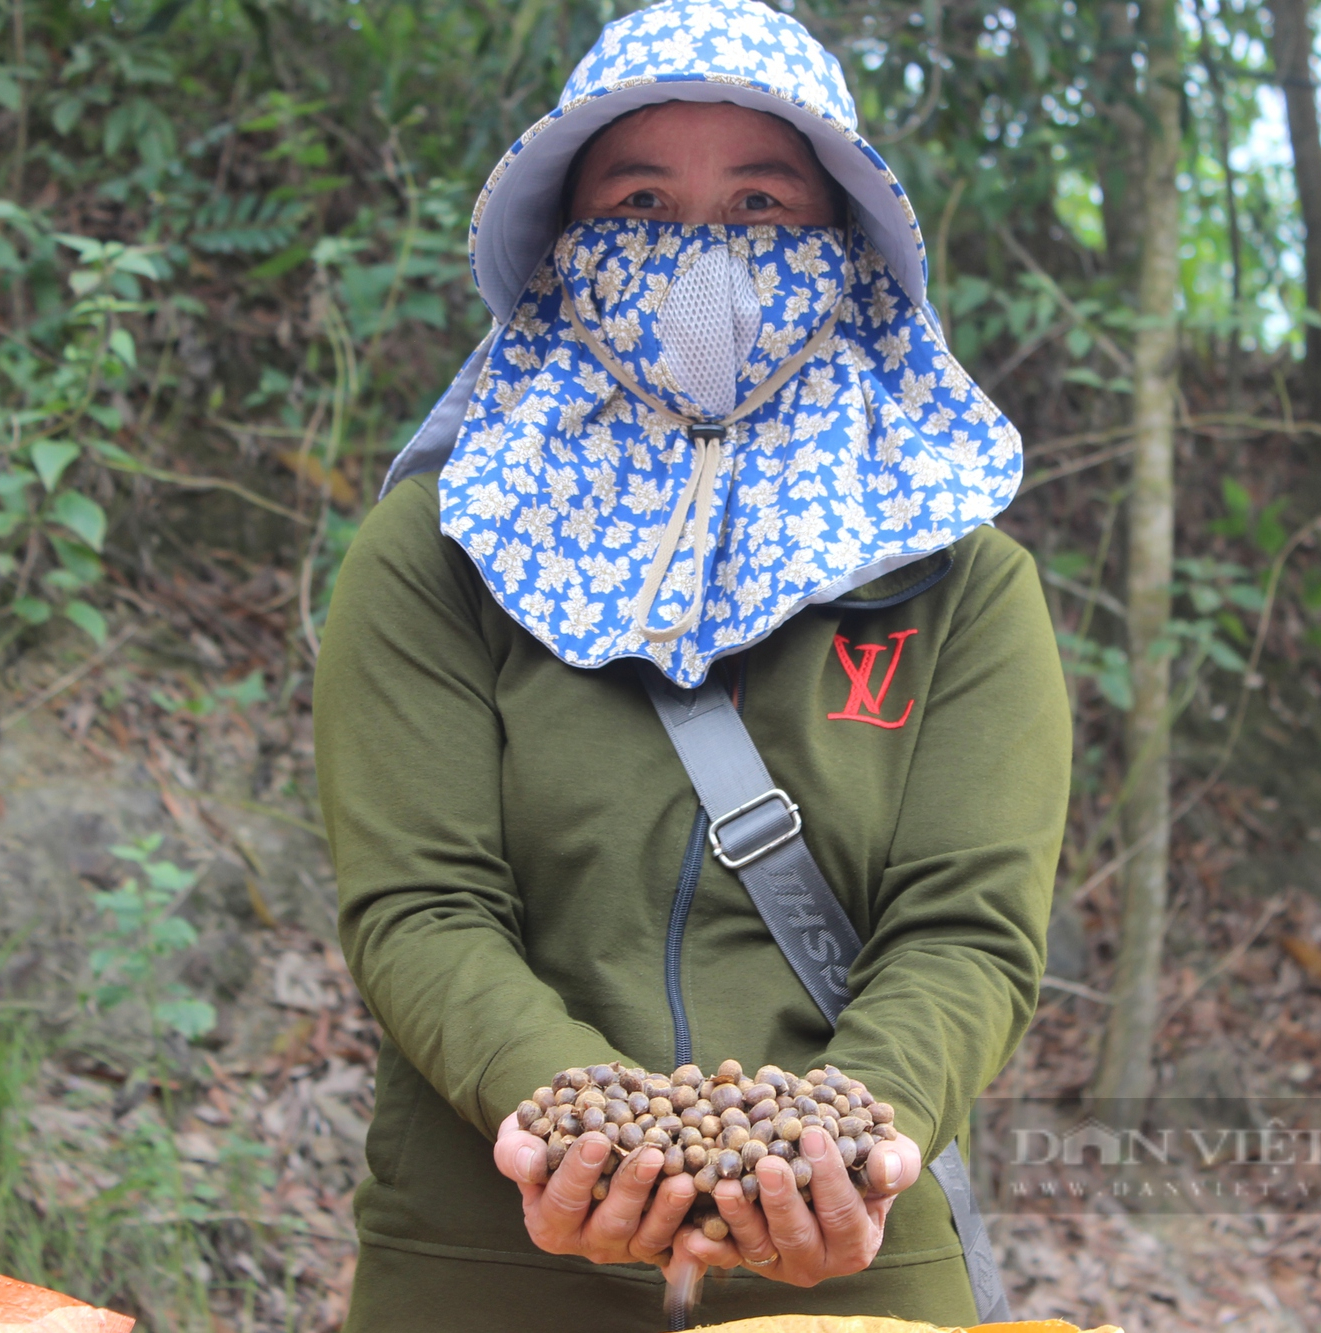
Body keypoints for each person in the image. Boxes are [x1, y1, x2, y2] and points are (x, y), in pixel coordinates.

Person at [312, 2, 1071, 1328]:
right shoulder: (434, 552)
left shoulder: (965, 583)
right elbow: (422, 905)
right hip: (487, 1247)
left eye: (765, 201)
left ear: (842, 244)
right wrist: (575, 1125)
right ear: (565, 239)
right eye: (643, 196)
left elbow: (964, 931)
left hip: (855, 1245)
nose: (703, 250)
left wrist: (856, 1139)